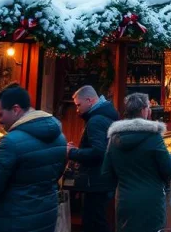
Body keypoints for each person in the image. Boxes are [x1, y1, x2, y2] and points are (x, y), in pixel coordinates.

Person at [0, 85, 68, 232]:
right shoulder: (60, 137)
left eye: (0, 114)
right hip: (46, 214)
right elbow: (57, 174)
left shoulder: (10, 142)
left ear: (16, 109)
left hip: (13, 218)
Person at [101, 92, 171, 232]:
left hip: (124, 199)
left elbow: (106, 173)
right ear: (143, 110)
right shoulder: (153, 137)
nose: (150, 110)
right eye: (148, 107)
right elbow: (168, 168)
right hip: (152, 200)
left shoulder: (114, 139)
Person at [68, 85, 118, 232]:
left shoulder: (95, 120)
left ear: (89, 100)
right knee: (98, 219)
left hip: (96, 181)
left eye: (78, 105)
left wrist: (72, 153)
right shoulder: (107, 115)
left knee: (94, 222)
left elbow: (99, 152)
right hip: (106, 178)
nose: (77, 110)